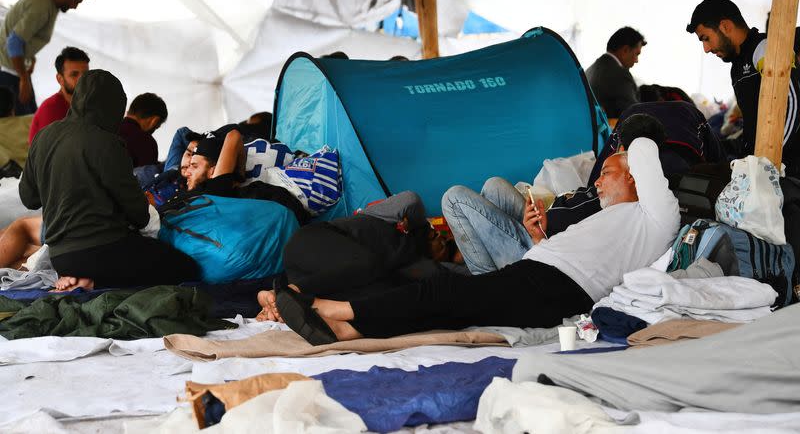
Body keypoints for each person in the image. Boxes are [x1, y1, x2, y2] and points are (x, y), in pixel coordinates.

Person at [260, 137, 680, 345]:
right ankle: (347, 327)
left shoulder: (655, 216)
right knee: (452, 305)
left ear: (634, 177)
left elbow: (644, 145)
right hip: (539, 273)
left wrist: (625, 147)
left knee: (444, 291)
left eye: (608, 171)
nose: (599, 180)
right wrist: (536, 239)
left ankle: (335, 309)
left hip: (558, 286)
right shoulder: (608, 219)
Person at [18, 69, 199, 290]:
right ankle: (94, 282)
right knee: (187, 269)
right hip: (103, 251)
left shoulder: (43, 137)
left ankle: (81, 280)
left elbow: (29, 199)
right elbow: (139, 215)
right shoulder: (107, 142)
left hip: (60, 256)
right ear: (114, 107)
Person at [442, 114, 672, 274]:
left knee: (454, 198)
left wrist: (540, 237)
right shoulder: (621, 179)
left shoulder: (630, 190)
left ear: (621, 148)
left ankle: (486, 280)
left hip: (544, 248)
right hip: (542, 229)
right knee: (494, 185)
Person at [255, 191, 458, 320]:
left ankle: (277, 300)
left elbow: (457, 279)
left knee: (378, 298)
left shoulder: (422, 267)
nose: (440, 236)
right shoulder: (386, 220)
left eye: (446, 245)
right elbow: (410, 200)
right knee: (367, 263)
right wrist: (418, 225)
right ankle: (288, 294)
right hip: (311, 244)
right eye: (435, 233)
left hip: (321, 279)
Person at [686, 0, 800, 176]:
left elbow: (793, 103)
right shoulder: (737, 65)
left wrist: (767, 161)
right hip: (753, 164)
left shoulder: (763, 48)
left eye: (706, 38)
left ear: (725, 26)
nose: (706, 49)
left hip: (782, 168)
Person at [163, 128, 310, 224]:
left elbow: (233, 135)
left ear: (214, 171)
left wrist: (239, 175)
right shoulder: (199, 187)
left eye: (194, 166)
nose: (187, 172)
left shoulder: (215, 190)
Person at [0, 0, 93, 115]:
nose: (75, 7)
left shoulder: (49, 4)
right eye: (76, 1)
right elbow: (14, 42)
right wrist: (24, 79)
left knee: (31, 119)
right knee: (20, 124)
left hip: (17, 70)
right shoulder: (41, 7)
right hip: (9, 72)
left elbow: (26, 38)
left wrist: (30, 57)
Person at [28, 47, 90, 143]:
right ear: (60, 79)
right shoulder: (51, 108)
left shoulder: (88, 104)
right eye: (74, 74)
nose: (82, 79)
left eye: (86, 74)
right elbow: (50, 154)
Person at [585, 27, 646, 119]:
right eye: (636, 54)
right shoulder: (620, 75)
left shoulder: (590, 70)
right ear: (625, 50)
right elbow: (635, 116)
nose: (636, 60)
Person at [119, 93, 167, 168]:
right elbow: (149, 177)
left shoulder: (108, 129)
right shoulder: (145, 141)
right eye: (157, 127)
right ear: (154, 121)